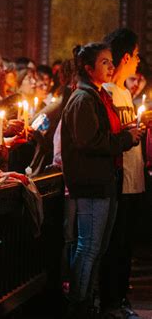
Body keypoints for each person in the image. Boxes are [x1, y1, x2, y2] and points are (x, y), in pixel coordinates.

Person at [61, 42, 142, 318]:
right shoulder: (83, 98)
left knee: (98, 248)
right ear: (88, 68)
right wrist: (125, 139)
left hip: (104, 180)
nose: (111, 66)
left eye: (111, 62)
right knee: (88, 246)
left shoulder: (96, 95)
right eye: (105, 62)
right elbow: (90, 141)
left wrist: (126, 132)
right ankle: (78, 304)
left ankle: (88, 301)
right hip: (91, 183)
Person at [100, 28, 145, 317]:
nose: (139, 62)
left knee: (127, 243)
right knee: (113, 244)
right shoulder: (104, 93)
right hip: (116, 178)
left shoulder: (125, 92)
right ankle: (110, 301)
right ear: (127, 56)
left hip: (133, 176)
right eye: (137, 55)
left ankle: (120, 298)